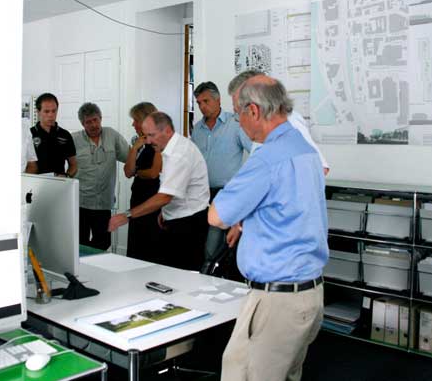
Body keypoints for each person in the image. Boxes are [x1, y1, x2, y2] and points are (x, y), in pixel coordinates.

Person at [208, 75, 328, 381]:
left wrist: (237, 197)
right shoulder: (304, 148)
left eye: (238, 113)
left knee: (241, 374)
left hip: (277, 301)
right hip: (309, 293)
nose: (238, 121)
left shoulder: (266, 158)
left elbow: (217, 216)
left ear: (254, 111)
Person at [108, 112, 210, 271]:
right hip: (177, 218)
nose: (148, 141)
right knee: (168, 271)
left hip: (189, 224)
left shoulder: (179, 154)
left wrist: (126, 215)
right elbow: (172, 187)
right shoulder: (170, 148)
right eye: (146, 135)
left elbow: (164, 196)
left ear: (167, 131)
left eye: (151, 135)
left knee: (183, 275)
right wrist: (166, 212)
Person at [191, 81, 251, 276]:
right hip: (201, 194)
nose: (202, 106)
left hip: (226, 194)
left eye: (206, 101)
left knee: (214, 247)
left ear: (218, 100)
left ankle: (215, 279)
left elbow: (256, 152)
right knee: (201, 243)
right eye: (199, 103)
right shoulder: (197, 129)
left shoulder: (235, 124)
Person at [228, 70, 331, 175]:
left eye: (240, 109)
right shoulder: (262, 128)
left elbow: (320, 168)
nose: (240, 121)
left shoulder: (290, 120)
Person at [71, 102, 129, 250]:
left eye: (95, 120)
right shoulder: (74, 139)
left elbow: (129, 156)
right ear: (82, 124)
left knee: (104, 242)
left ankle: (91, 259)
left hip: (103, 203)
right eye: (88, 122)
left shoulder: (112, 135)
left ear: (101, 118)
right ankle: (84, 263)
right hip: (81, 203)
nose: (93, 125)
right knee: (80, 243)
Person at [123, 102, 163, 263]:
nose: (133, 124)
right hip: (137, 199)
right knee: (135, 246)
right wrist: (134, 149)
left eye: (135, 120)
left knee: (150, 249)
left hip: (152, 202)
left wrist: (137, 172)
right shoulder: (139, 142)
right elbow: (127, 172)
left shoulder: (160, 140)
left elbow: (154, 173)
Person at [30, 93, 77, 177]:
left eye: (54, 111)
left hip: (59, 183)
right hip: (36, 183)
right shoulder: (29, 134)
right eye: (46, 111)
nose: (51, 115)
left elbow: (73, 165)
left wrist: (66, 176)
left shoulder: (65, 135)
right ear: (38, 112)